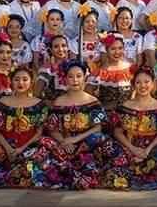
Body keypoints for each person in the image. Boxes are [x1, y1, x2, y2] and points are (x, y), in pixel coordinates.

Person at [106, 67, 157, 190]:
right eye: (138, 82)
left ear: (152, 84)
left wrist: (147, 150)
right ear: (133, 85)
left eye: (146, 82)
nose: (143, 86)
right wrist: (132, 149)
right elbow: (118, 132)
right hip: (129, 146)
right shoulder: (125, 107)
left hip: (153, 147)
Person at [43, 61, 112, 189]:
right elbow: (52, 129)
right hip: (64, 144)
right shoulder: (59, 101)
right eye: (71, 76)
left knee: (99, 138)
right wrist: (64, 141)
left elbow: (98, 127)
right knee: (43, 142)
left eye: (79, 76)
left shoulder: (92, 101)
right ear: (66, 78)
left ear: (84, 77)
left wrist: (75, 139)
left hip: (85, 144)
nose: (75, 80)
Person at [90, 32, 134, 110]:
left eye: (120, 48)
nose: (117, 52)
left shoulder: (130, 68)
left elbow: (137, 88)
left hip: (129, 114)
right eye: (113, 49)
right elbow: (87, 92)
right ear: (106, 50)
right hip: (108, 116)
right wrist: (102, 106)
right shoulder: (99, 72)